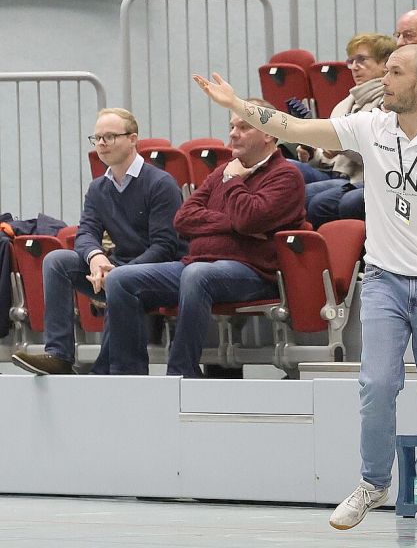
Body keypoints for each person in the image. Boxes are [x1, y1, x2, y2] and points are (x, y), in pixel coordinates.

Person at [195, 43, 417, 541]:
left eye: (394, 72)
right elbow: (294, 129)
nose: (383, 80)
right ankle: (372, 482)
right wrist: (238, 107)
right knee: (377, 386)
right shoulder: (369, 126)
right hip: (384, 282)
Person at [89, 99, 304, 378]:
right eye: (231, 126)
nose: (233, 133)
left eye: (243, 127)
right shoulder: (222, 171)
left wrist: (234, 184)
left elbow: (248, 218)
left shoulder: (285, 176)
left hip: (253, 272)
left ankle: (182, 372)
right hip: (197, 264)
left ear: (268, 134)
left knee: (196, 274)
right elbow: (184, 219)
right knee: (121, 279)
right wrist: (233, 223)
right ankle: (127, 374)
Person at [11, 108, 186, 376]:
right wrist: (96, 258)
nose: (102, 143)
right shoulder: (98, 188)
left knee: (119, 280)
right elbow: (86, 233)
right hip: (119, 269)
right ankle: (59, 355)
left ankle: (122, 370)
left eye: (110, 137)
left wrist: (118, 272)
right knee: (57, 260)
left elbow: (165, 247)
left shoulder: (160, 183)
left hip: (161, 272)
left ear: (132, 139)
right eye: (98, 138)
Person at [303, 33, 396, 227]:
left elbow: (383, 156)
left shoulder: (389, 101)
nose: (354, 67)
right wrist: (312, 153)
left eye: (361, 60)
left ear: (385, 64)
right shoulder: (344, 104)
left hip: (364, 179)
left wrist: (342, 143)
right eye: (351, 61)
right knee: (289, 174)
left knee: (313, 199)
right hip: (335, 173)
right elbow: (330, 158)